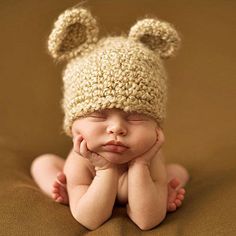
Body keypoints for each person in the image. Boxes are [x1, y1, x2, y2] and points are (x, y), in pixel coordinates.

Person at [31, 6, 189, 230]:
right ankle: (66, 192)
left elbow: (146, 221)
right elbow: (90, 219)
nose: (116, 128)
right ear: (73, 124)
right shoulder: (80, 159)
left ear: (156, 127)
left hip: (135, 178)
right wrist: (104, 170)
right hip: (88, 176)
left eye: (135, 118)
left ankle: (160, 190)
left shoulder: (149, 157)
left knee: (179, 171)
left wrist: (140, 164)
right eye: (98, 115)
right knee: (43, 163)